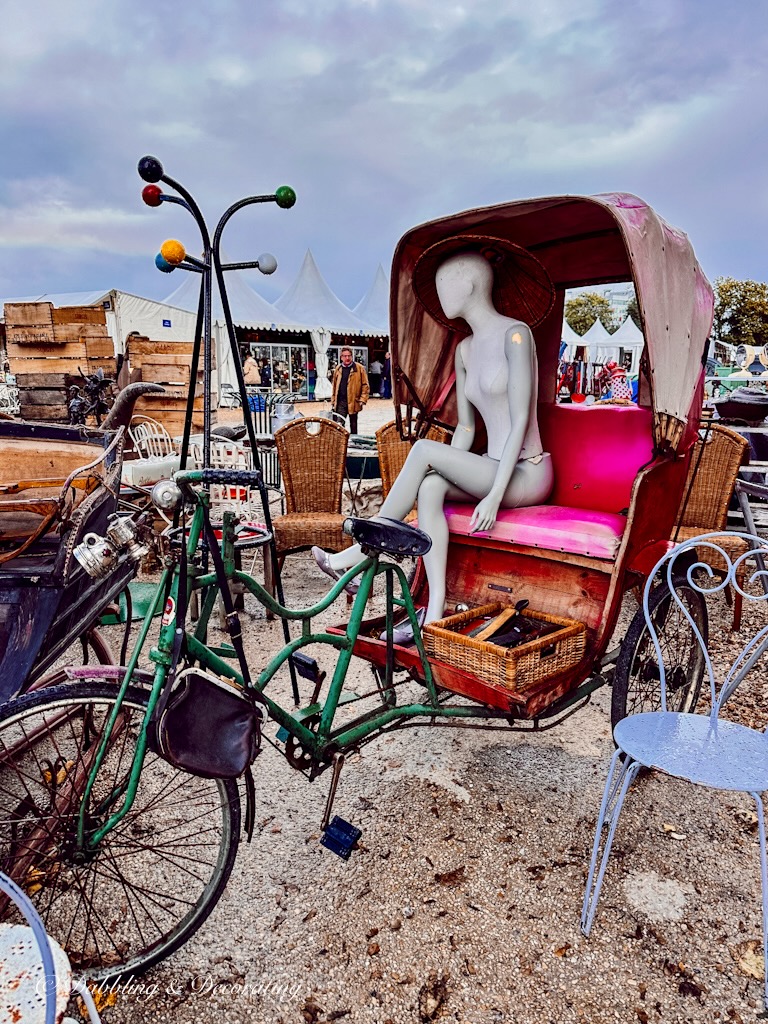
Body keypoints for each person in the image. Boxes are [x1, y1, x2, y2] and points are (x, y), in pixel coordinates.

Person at [313, 235, 555, 640]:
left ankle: (363, 551)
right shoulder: (465, 350)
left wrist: (493, 495)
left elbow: (518, 422)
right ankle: (434, 610)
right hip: (494, 466)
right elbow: (466, 428)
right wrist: (450, 472)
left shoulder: (516, 335)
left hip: (527, 472)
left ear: (472, 285)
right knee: (430, 486)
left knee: (425, 451)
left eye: (447, 283)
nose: (442, 294)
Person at [331, 347, 369, 434]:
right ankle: (340, 443)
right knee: (339, 425)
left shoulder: (359, 368)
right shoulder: (338, 369)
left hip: (353, 401)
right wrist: (333, 401)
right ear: (341, 357)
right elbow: (334, 386)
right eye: (344, 356)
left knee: (353, 424)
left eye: (349, 356)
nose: (347, 358)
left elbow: (365, 385)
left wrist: (363, 399)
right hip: (341, 401)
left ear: (352, 356)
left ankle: (354, 441)